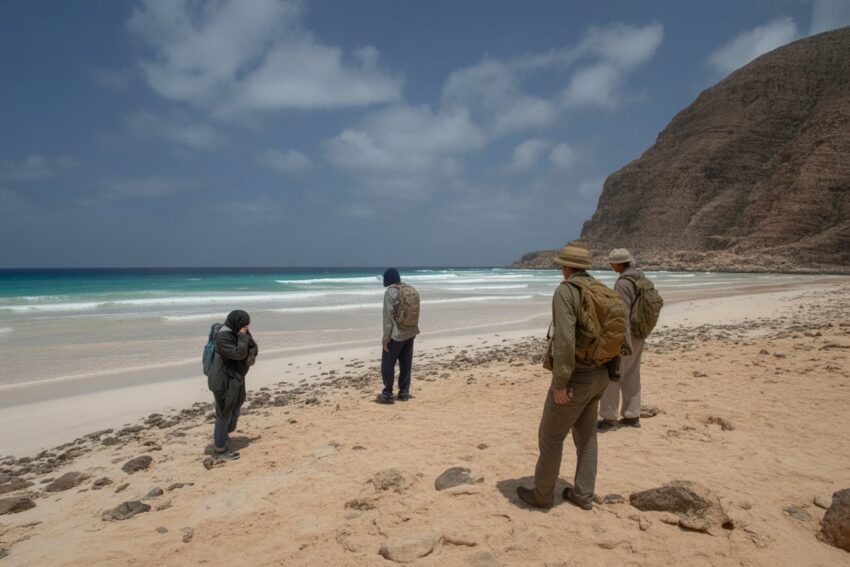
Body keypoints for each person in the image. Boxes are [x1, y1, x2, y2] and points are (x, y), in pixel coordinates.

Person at [517, 241, 615, 510]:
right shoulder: (601, 289)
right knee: (587, 438)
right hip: (602, 374)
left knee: (550, 436)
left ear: (566, 267)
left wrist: (561, 382)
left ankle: (542, 495)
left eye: (562, 264)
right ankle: (583, 495)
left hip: (578, 378)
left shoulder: (566, 291)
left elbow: (565, 340)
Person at [598, 248, 644, 432]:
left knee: (613, 375)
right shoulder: (640, 278)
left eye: (612, 263)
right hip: (640, 332)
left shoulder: (623, 283)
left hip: (628, 335)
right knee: (632, 374)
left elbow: (622, 314)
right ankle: (632, 415)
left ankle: (609, 418)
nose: (611, 266)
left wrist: (619, 340)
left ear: (618, 263)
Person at [207, 309, 258, 460]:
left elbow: (252, 347)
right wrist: (243, 336)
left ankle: (224, 436)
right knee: (223, 413)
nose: (246, 327)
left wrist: (244, 336)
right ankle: (220, 450)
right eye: (244, 324)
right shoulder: (223, 337)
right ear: (237, 322)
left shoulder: (236, 332)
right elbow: (239, 354)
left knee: (236, 406)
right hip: (223, 381)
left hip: (235, 378)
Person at [378, 268, 420, 404]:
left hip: (396, 335)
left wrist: (385, 339)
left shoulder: (390, 292)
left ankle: (388, 393)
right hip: (411, 332)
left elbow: (388, 319)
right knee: (406, 364)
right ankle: (404, 392)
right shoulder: (410, 289)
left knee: (387, 364)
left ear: (387, 279)